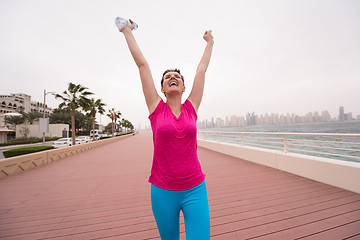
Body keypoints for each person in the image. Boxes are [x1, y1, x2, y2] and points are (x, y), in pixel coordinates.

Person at [118, 19, 214, 240]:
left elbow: (201, 70)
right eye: (168, 77)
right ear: (161, 88)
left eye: (177, 77)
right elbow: (143, 65)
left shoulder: (192, 107)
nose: (173, 77)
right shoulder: (155, 108)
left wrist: (209, 42)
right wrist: (127, 32)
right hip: (163, 191)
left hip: (195, 189)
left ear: (183, 87)